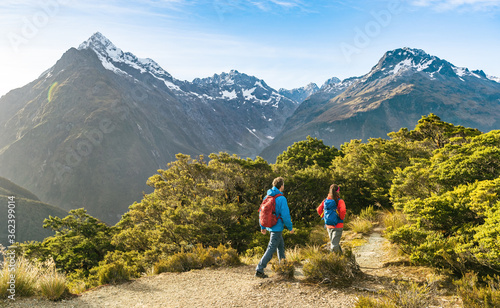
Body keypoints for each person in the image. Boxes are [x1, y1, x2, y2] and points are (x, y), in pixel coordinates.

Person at [255, 177, 294, 278]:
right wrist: (290, 228)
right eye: (283, 185)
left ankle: (284, 266)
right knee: (271, 248)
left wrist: (262, 226)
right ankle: (259, 269)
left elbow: (262, 212)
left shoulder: (267, 196)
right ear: (281, 186)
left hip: (270, 226)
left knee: (281, 246)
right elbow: (285, 215)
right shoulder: (281, 198)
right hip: (277, 227)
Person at [317, 184, 346, 254]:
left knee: (334, 243)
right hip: (338, 226)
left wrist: (325, 217)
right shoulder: (340, 201)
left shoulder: (325, 201)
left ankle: (343, 259)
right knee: (334, 245)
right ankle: (334, 261)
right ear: (337, 191)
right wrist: (341, 218)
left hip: (328, 225)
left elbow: (318, 209)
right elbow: (342, 211)